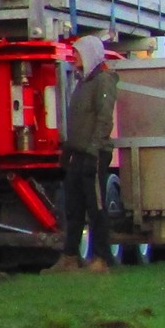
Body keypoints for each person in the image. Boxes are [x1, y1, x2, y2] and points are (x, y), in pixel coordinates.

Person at [62, 35, 120, 269]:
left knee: (95, 207)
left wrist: (94, 151)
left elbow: (104, 119)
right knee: (74, 207)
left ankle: (102, 258)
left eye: (77, 52)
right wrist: (67, 151)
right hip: (78, 152)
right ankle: (69, 257)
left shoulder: (103, 81)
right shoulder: (82, 81)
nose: (73, 56)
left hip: (93, 154)